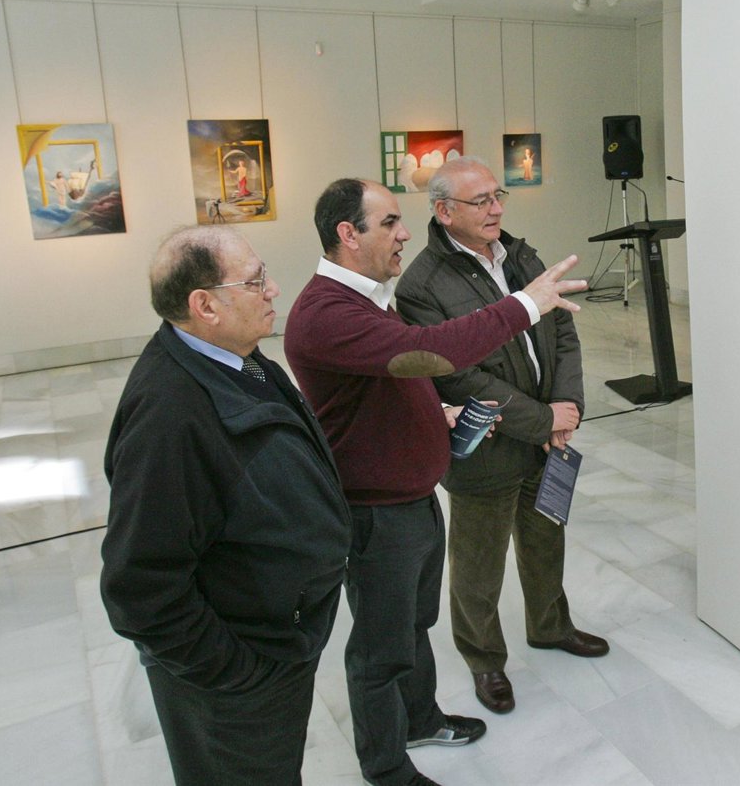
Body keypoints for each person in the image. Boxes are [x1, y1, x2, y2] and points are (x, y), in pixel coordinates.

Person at [283, 177, 586, 786]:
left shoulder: (367, 298)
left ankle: (420, 718)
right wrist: (525, 304)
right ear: (348, 234)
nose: (404, 234)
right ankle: (386, 766)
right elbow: (429, 353)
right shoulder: (327, 312)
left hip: (412, 496)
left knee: (412, 626)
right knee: (380, 648)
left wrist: (436, 411)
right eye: (389, 222)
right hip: (376, 512)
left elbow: (395, 379)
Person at [101, 225, 353, 786]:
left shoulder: (239, 360)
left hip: (277, 641)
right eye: (256, 281)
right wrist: (240, 674)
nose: (274, 289)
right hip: (239, 681)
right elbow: (139, 590)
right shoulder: (168, 418)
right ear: (205, 306)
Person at [394, 156, 609, 719]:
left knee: (545, 540)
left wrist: (567, 407)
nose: (495, 209)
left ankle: (551, 625)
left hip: (545, 437)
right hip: (486, 446)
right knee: (478, 565)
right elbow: (456, 375)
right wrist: (544, 419)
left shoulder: (521, 255)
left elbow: (562, 331)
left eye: (498, 196)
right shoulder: (421, 286)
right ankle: (484, 658)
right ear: (444, 211)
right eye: (481, 200)